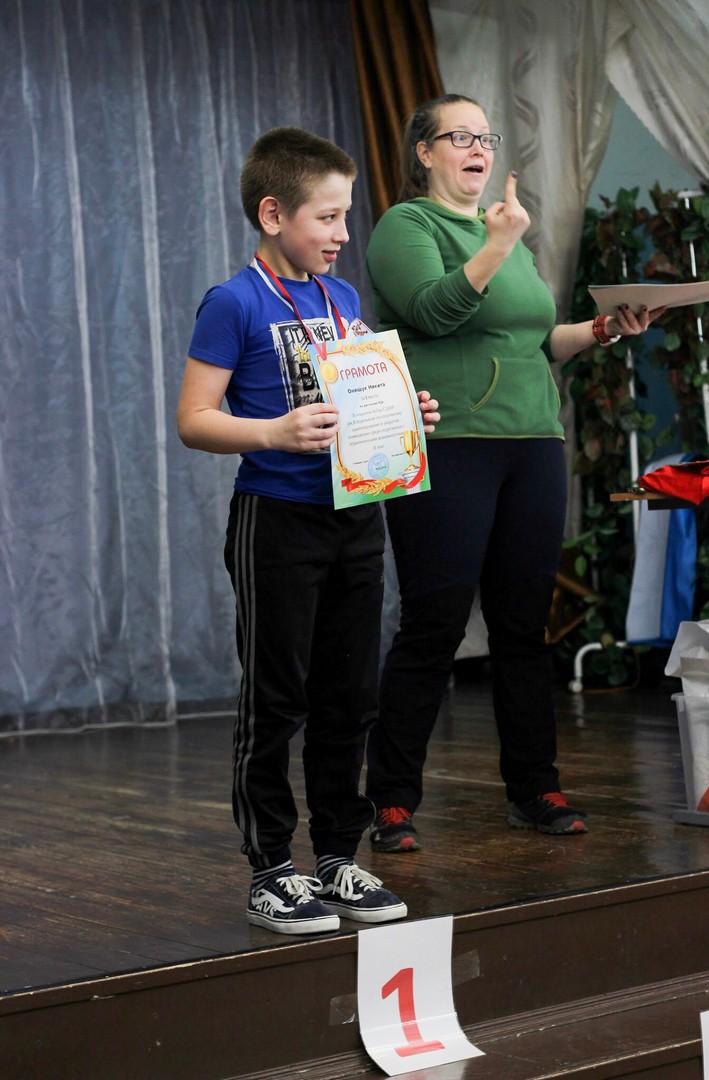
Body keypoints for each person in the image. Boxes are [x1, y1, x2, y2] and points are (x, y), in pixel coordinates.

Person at [364, 94, 665, 853]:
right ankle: (391, 800)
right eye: (459, 136)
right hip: (448, 443)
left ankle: (535, 788)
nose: (479, 148)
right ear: (425, 152)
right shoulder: (407, 226)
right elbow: (433, 312)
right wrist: (498, 244)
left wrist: (602, 328)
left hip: (531, 442)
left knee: (523, 629)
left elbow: (534, 340)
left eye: (485, 136)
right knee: (434, 624)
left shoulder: (506, 233)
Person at [177, 127, 439, 934]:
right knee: (276, 697)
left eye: (345, 215)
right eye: (327, 217)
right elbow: (194, 419)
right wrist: (272, 432)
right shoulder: (234, 302)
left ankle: (336, 857)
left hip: (356, 519)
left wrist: (405, 415)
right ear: (272, 214)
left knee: (348, 696)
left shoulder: (342, 299)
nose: (342, 233)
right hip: (277, 521)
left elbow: (354, 403)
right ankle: (270, 869)